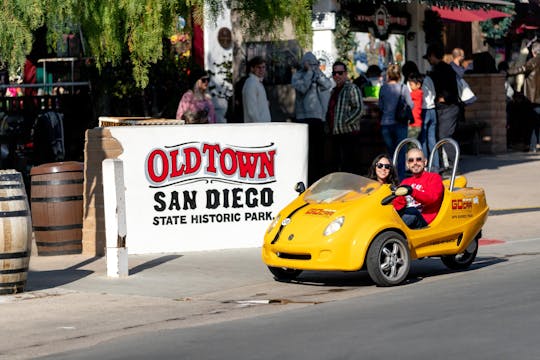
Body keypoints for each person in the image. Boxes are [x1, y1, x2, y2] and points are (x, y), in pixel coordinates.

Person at [292, 52, 333, 184]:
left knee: (319, 151)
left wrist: (318, 75)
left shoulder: (317, 74)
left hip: (318, 118)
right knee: (307, 151)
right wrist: (309, 73)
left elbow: (327, 85)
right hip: (303, 118)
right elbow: (302, 88)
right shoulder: (297, 76)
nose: (313, 66)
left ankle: (319, 178)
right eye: (310, 64)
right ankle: (307, 178)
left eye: (315, 64)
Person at [424, 43, 460, 171]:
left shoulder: (441, 70)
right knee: (441, 136)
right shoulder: (444, 69)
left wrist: (442, 98)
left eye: (429, 57)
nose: (428, 60)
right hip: (446, 107)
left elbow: (451, 92)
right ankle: (445, 164)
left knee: (444, 135)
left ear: (433, 56)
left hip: (448, 107)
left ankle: (453, 165)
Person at [326, 61, 364, 174]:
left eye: (340, 73)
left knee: (350, 167)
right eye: (334, 73)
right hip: (336, 134)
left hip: (349, 134)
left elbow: (359, 109)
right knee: (338, 165)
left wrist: (345, 122)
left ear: (346, 74)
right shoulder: (333, 91)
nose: (337, 76)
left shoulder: (352, 88)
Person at [393, 148, 444, 229]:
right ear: (407, 164)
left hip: (425, 220)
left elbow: (432, 198)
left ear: (425, 161)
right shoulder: (405, 181)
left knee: (412, 212)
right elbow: (398, 203)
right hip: (408, 217)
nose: (415, 163)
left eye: (419, 159)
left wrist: (412, 192)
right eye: (411, 160)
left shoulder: (434, 178)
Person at [378, 64, 413, 179]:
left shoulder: (383, 88)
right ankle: (400, 179)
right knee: (401, 153)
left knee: (390, 153)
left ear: (388, 74)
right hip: (400, 124)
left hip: (385, 124)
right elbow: (411, 105)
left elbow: (381, 106)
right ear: (399, 75)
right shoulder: (403, 88)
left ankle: (390, 178)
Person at [507, 41, 540, 153]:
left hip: (534, 97)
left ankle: (532, 146)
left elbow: (522, 69)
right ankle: (533, 145)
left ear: (533, 52)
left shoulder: (535, 60)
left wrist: (507, 72)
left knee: (532, 122)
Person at [418, 73, 440, 170]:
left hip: (423, 109)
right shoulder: (428, 78)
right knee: (432, 139)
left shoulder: (416, 81)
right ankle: (436, 166)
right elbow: (434, 93)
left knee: (423, 140)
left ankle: (425, 165)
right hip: (432, 109)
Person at [242, 56, 271, 123]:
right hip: (257, 128)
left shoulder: (258, 82)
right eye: (258, 67)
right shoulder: (251, 83)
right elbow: (252, 111)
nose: (261, 70)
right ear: (252, 69)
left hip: (264, 126)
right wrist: (259, 127)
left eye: (263, 67)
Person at [407, 72, 423, 140]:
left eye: (411, 85)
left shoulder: (417, 93)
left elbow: (406, 95)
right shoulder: (419, 93)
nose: (410, 87)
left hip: (414, 124)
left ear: (418, 85)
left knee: (410, 145)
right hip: (416, 124)